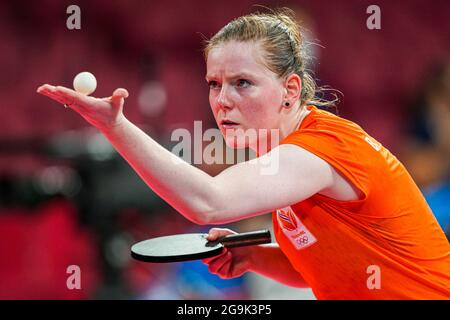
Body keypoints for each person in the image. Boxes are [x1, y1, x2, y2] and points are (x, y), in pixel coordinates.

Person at [37, 9, 449, 299]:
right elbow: (325, 267)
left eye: (242, 83)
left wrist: (114, 126)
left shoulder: (320, 149)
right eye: (214, 84)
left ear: (290, 91)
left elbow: (208, 203)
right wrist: (253, 256)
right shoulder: (288, 161)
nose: (223, 100)